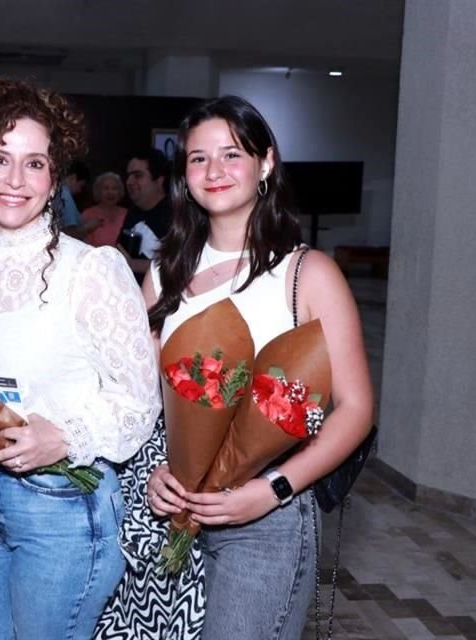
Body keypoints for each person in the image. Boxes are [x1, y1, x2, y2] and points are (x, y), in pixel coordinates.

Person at [136, 96, 373, 640]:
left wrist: (274, 490)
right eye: (198, 158)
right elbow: (146, 401)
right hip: (176, 511)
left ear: (266, 162)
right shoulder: (162, 272)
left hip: (269, 518)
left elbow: (355, 410)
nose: (214, 171)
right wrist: (157, 472)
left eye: (231, 154)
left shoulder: (307, 273)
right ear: (183, 174)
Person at [0, 78, 160, 640]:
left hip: (66, 508)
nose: (15, 180)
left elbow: (140, 403)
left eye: (34, 163)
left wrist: (63, 436)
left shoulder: (93, 269)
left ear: (54, 176)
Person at [119, 148, 172, 280]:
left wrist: (134, 265)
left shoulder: (178, 216)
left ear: (159, 180)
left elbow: (184, 267)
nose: (129, 182)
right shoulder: (133, 212)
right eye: (128, 176)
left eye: (138, 175)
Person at [81, 171, 127, 248]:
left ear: (120, 192)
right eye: (106, 188)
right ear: (98, 191)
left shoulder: (127, 214)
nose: (110, 192)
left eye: (114, 188)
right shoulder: (88, 214)